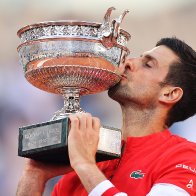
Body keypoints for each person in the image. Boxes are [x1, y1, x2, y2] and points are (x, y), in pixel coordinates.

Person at [16, 37, 196, 196]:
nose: (128, 62)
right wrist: (34, 174)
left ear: (170, 94)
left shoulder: (185, 158)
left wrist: (85, 166)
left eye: (148, 64)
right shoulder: (85, 165)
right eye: (138, 57)